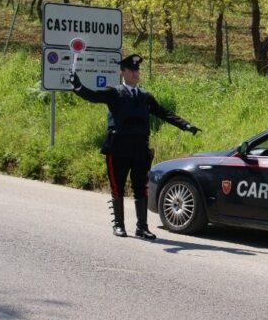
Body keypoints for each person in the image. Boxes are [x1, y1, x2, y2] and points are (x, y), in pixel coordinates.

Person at [68, 54, 200, 239]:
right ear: (122, 72)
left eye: (137, 70)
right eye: (131, 70)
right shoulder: (114, 92)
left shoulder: (145, 96)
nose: (136, 73)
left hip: (139, 149)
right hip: (118, 148)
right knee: (118, 187)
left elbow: (162, 112)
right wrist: (78, 86)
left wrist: (185, 125)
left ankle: (142, 227)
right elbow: (93, 96)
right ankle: (119, 225)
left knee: (141, 188)